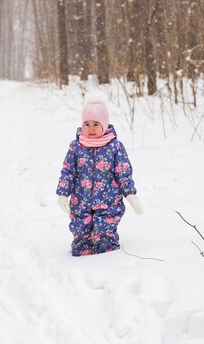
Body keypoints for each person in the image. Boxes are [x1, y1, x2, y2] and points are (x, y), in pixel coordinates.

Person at [56, 90, 143, 256]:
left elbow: (123, 173)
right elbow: (67, 171)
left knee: (105, 235)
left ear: (104, 124)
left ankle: (106, 264)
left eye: (96, 124)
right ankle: (80, 267)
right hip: (81, 203)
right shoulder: (76, 146)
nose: (91, 129)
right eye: (86, 124)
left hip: (108, 203)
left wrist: (131, 195)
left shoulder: (115, 147)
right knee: (80, 232)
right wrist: (62, 194)